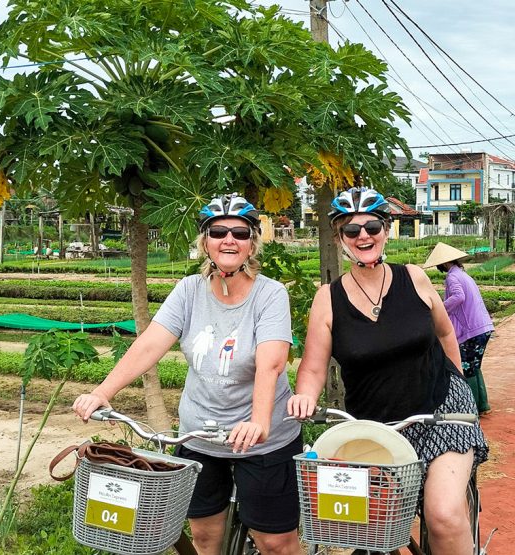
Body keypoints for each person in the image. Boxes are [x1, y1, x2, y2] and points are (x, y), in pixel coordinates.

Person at [73, 193, 302, 555]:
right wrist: (103, 392)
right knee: (205, 537)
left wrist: (259, 422)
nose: (229, 240)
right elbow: (150, 345)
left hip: (261, 439)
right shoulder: (188, 290)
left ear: (252, 243)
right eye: (218, 232)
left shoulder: (270, 294)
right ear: (205, 242)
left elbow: (270, 362)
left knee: (274, 542)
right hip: (200, 434)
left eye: (240, 233)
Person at [287, 187, 488, 555]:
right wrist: (305, 396)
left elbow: (445, 333)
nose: (363, 235)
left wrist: (458, 384)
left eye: (372, 226)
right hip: (375, 427)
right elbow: (313, 368)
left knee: (443, 515)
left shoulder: (414, 277)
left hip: (439, 411)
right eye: (351, 230)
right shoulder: (328, 299)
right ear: (340, 238)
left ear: (386, 230)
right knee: (360, 527)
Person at [423, 243, 494, 415]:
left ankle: (472, 409)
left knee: (466, 367)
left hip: (472, 330)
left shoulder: (452, 277)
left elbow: (458, 296)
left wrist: (439, 309)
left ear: (443, 263)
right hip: (482, 327)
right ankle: (483, 405)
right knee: (474, 366)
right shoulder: (462, 274)